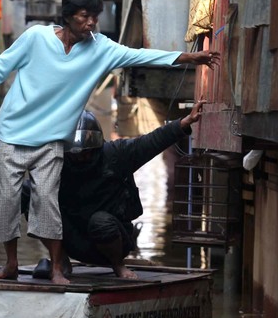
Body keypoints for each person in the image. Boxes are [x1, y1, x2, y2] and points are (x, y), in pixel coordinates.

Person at [0, 0, 220, 285]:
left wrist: (190, 57)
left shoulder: (101, 48)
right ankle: (11, 264)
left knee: (47, 201)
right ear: (68, 17)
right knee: (5, 202)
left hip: (52, 140)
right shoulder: (35, 38)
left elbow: (140, 56)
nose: (91, 23)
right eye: (85, 17)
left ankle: (57, 267)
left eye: (95, 17)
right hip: (11, 132)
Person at [26, 100, 207, 280]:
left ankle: (118, 265)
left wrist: (184, 123)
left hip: (111, 238)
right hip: (69, 237)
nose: (82, 158)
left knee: (100, 222)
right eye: (77, 154)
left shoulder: (115, 155)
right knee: (30, 192)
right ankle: (60, 260)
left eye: (87, 153)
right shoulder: (58, 162)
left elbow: (151, 141)